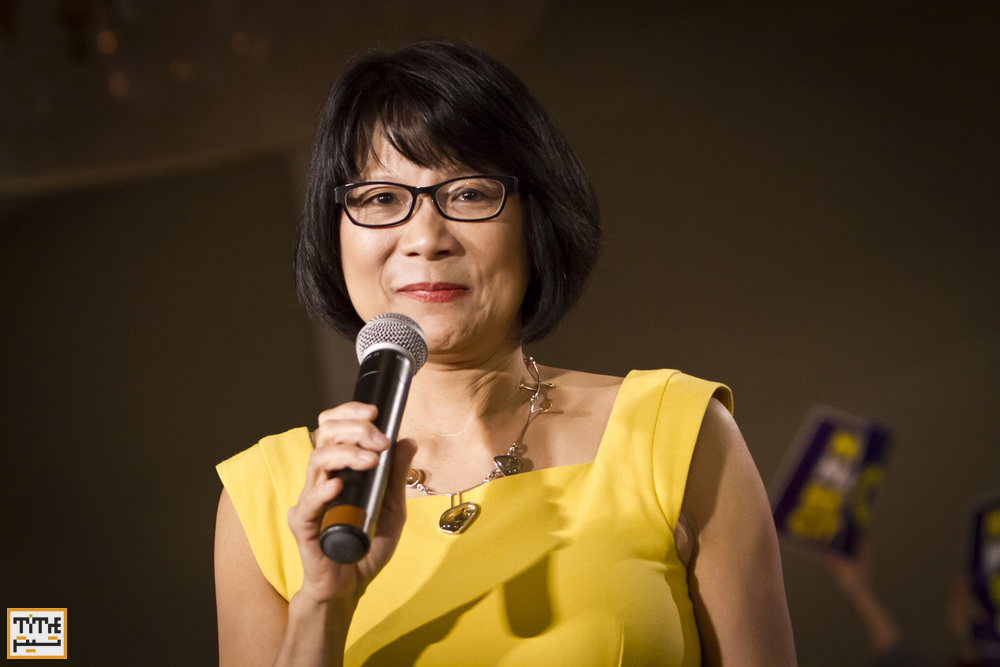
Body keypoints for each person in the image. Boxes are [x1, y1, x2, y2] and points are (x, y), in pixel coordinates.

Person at [214, 39, 796, 666]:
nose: (425, 238)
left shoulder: (676, 433)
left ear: (534, 219)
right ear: (335, 234)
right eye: (381, 198)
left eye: (468, 193)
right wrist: (323, 603)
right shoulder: (266, 498)